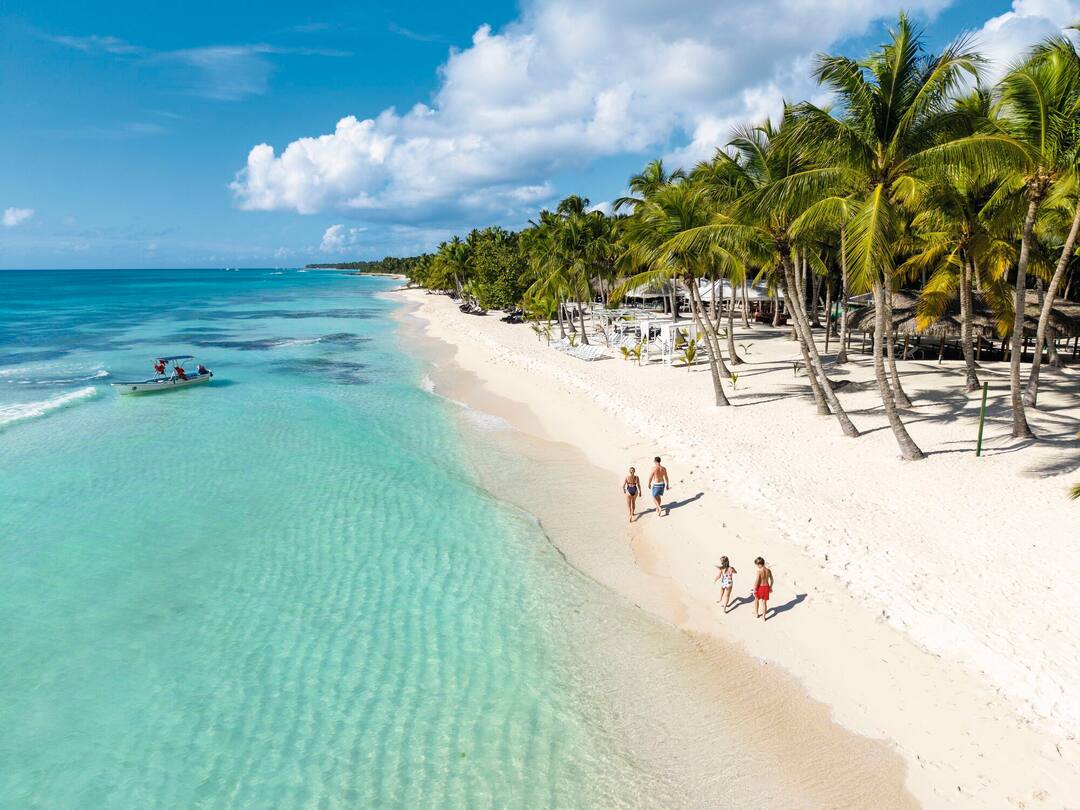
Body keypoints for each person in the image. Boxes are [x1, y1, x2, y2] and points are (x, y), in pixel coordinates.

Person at [753, 557, 773, 621]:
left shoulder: (759, 571)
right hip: (766, 587)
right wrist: (770, 587)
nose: (757, 566)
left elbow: (757, 581)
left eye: (757, 564)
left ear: (760, 564)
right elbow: (772, 580)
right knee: (764, 603)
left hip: (760, 587)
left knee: (756, 600)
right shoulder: (768, 570)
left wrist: (754, 589)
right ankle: (764, 617)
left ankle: (756, 613)